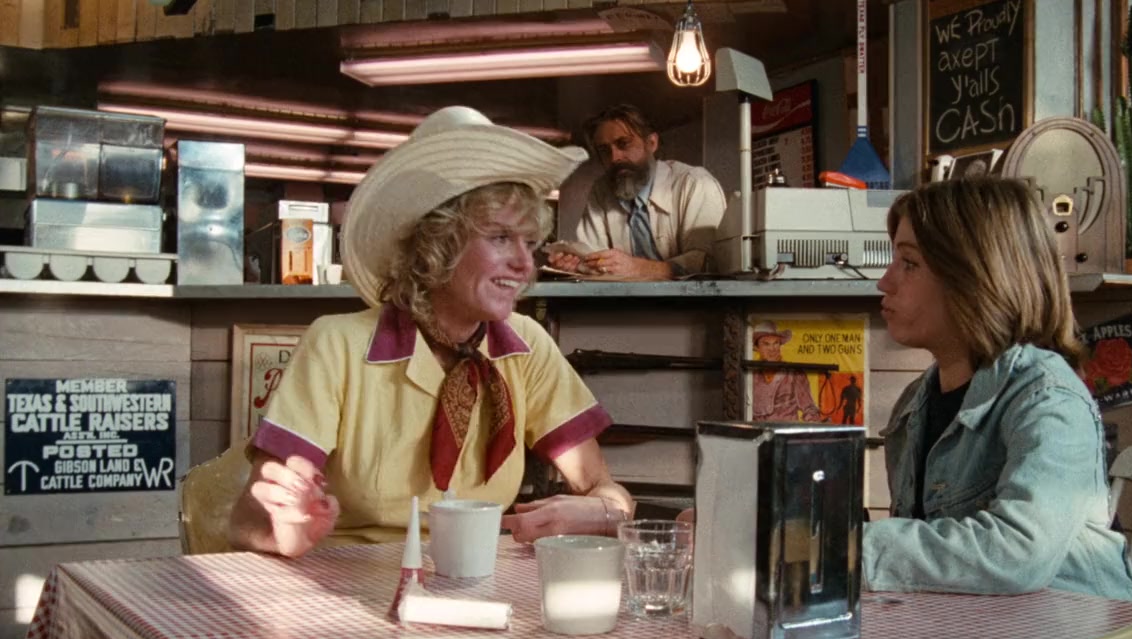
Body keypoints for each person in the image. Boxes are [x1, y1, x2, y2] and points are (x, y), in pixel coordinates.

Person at [228, 106, 633, 558]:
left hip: (477, 577)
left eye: (530, 242)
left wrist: (604, 512)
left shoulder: (525, 345)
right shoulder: (337, 344)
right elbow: (248, 522)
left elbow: (603, 487)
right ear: (436, 245)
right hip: (349, 581)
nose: (525, 264)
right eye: (500, 238)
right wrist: (285, 526)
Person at [862, 177, 1132, 600]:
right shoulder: (913, 405)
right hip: (983, 627)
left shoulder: (1047, 397)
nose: (885, 282)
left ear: (975, 276)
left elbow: (1018, 551)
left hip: (1082, 632)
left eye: (909, 263)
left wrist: (845, 549)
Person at [548, 104, 726, 280]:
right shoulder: (601, 191)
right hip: (624, 298)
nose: (615, 158)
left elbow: (709, 262)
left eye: (623, 144)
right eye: (604, 150)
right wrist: (578, 265)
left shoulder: (695, 183)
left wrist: (639, 268)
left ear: (651, 143)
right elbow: (595, 257)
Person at [751, 321, 823, 422]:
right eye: (766, 344)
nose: (772, 349)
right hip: (758, 430)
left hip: (786, 429)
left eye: (776, 343)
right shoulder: (751, 375)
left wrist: (813, 424)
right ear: (757, 347)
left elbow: (809, 408)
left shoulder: (794, 373)